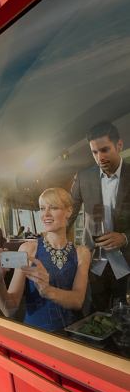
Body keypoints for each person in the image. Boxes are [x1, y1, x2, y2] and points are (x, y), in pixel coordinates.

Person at [0, 188, 91, 332]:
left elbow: (78, 300)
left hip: (74, 337)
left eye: (53, 207)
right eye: (42, 209)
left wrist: (47, 291)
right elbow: (9, 309)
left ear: (69, 211)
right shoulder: (27, 249)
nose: (45, 214)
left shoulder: (82, 253)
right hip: (38, 335)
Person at [69, 121, 130, 311]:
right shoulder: (83, 177)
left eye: (105, 150)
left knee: (123, 316)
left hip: (126, 262)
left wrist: (126, 237)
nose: (99, 157)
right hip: (93, 261)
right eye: (94, 152)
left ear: (119, 145)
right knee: (95, 313)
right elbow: (68, 214)